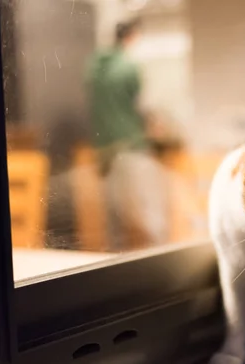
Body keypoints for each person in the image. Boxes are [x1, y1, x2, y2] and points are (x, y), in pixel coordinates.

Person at [85, 18, 170, 251]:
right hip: (131, 146)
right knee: (148, 210)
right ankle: (160, 257)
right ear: (133, 36)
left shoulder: (94, 66)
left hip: (104, 150)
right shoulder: (129, 66)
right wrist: (158, 124)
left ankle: (114, 262)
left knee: (115, 216)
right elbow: (144, 106)